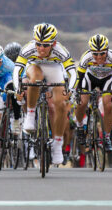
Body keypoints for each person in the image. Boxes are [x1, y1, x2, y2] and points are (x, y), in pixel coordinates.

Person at [13, 23, 77, 164]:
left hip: (54, 69)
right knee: (35, 78)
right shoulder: (28, 49)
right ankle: (30, 114)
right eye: (39, 44)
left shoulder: (61, 51)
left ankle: (57, 145)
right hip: (34, 67)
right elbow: (17, 70)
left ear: (53, 44)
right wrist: (17, 89)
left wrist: (70, 91)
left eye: (46, 45)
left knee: (61, 104)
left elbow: (73, 72)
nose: (41, 48)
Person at [75, 34, 112, 152]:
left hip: (108, 79)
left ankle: (106, 137)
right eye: (95, 54)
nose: (99, 57)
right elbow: (80, 77)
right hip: (90, 78)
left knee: (109, 105)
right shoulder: (86, 57)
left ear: (107, 50)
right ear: (91, 52)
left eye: (102, 53)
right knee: (82, 103)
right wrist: (78, 91)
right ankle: (80, 126)